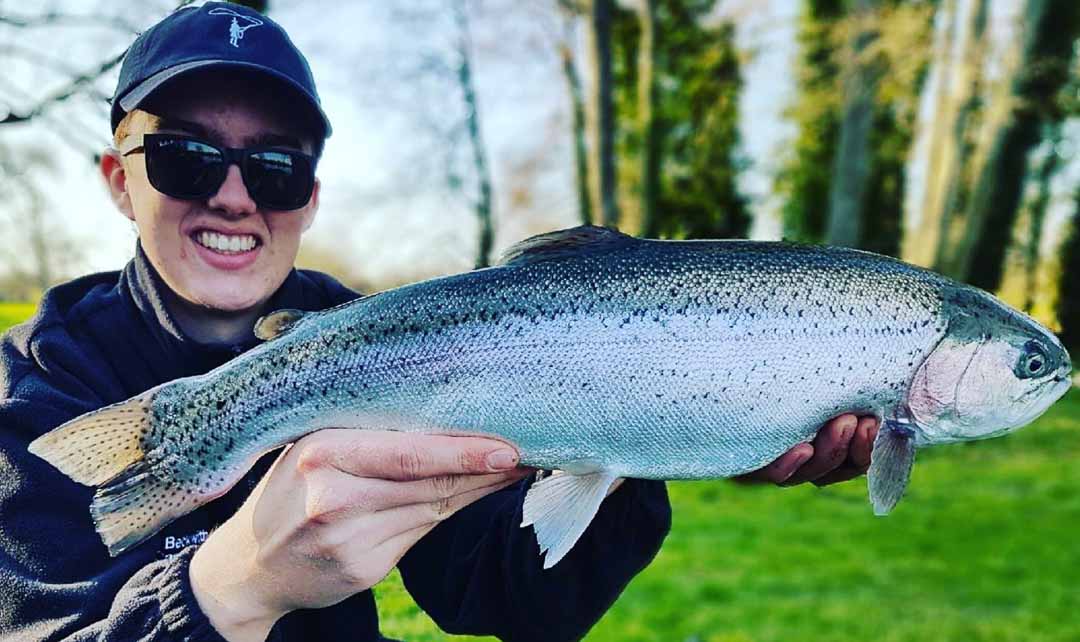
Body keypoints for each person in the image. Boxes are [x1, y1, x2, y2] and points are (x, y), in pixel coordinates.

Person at [0, 3, 879, 641]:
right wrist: (234, 587)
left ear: (309, 195)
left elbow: (502, 599)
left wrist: (634, 431)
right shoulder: (31, 389)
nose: (233, 195)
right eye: (185, 158)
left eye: (272, 167)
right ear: (119, 179)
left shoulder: (389, 340)